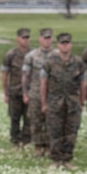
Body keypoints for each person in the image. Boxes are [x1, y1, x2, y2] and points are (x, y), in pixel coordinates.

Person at [40, 32, 86, 169]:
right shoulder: (50, 62)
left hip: (72, 103)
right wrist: (44, 103)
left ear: (71, 45)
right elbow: (43, 83)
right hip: (54, 102)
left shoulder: (78, 63)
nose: (65, 46)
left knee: (71, 132)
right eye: (62, 43)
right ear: (58, 45)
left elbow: (83, 84)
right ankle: (55, 159)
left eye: (67, 43)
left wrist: (82, 102)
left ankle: (67, 159)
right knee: (55, 131)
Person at [22, 28, 54, 157]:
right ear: (40, 39)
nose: (47, 40)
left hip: (52, 94)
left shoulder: (56, 55)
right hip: (35, 92)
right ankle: (37, 145)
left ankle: (47, 145)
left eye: (49, 38)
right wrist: (25, 93)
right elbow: (25, 75)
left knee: (50, 120)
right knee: (35, 120)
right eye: (45, 38)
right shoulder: (31, 56)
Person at [1, 28, 30, 147]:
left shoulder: (33, 54)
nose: (26, 40)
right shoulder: (11, 55)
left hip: (29, 92)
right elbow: (4, 74)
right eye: (23, 37)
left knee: (29, 118)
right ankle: (15, 140)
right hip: (15, 91)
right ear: (18, 38)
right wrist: (5, 92)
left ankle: (27, 140)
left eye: (27, 37)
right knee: (15, 118)